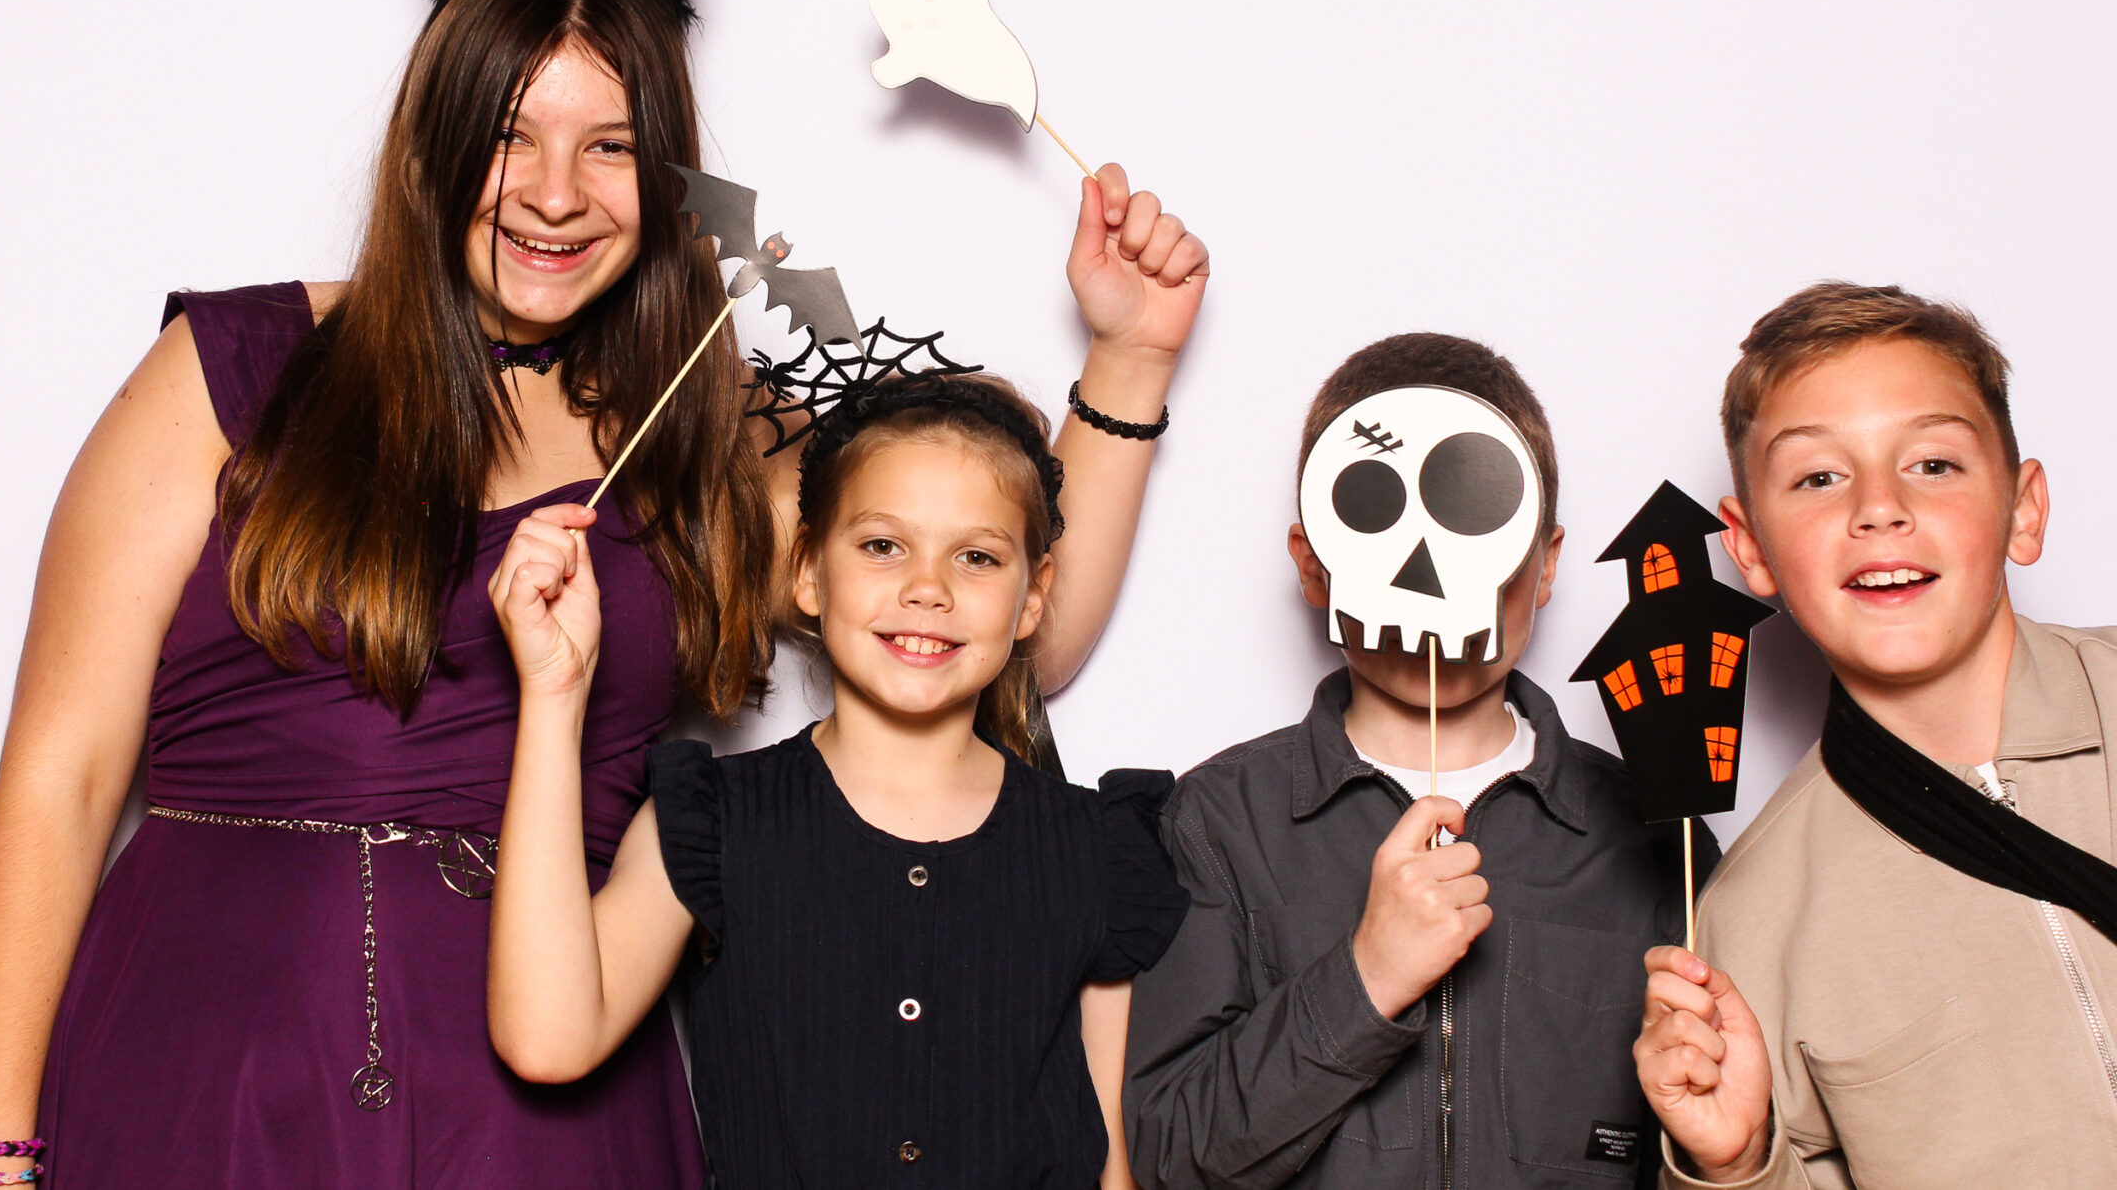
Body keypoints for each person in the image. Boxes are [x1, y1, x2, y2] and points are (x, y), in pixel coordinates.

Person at [0, 0, 1212, 1189]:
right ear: (433, 145)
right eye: (509, 137)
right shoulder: (233, 370)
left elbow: (1001, 626)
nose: (555, 194)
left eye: (609, 147)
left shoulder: (711, 436)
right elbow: (61, 777)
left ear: (667, 179)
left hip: (542, 1111)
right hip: (208, 1070)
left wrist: (1129, 361)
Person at [486, 373, 1190, 1189]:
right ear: (809, 572)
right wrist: (554, 692)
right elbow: (548, 1039)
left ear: (1033, 597)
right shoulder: (713, 820)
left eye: (977, 557)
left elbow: (1111, 1166)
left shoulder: (1096, 847)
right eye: (883, 545)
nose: (927, 588)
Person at [1127, 333, 1707, 1188]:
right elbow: (1171, 1157)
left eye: (1478, 525)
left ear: (1545, 565)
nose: (1431, 581)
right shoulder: (1220, 821)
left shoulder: (1654, 829)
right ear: (1314, 567)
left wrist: (1719, 1150)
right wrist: (1364, 980)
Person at [1634, 282, 2114, 1188]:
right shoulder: (1751, 920)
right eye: (1819, 477)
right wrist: (1737, 1163)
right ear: (1751, 548)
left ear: (2023, 508)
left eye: (1933, 463)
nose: (1879, 507)